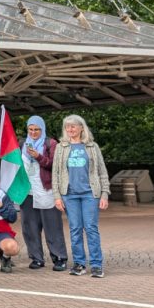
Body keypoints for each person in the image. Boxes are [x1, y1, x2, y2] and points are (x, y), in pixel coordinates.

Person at [52, 114, 110, 278]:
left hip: (90, 194)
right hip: (69, 195)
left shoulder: (92, 147)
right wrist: (57, 196)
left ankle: (97, 265)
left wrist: (104, 194)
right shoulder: (61, 147)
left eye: (73, 126)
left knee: (91, 229)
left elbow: (102, 172)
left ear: (81, 128)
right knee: (75, 229)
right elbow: (56, 173)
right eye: (67, 127)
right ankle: (79, 264)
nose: (70, 129)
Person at [20, 116, 68, 271]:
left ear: (42, 129)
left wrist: (38, 157)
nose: (33, 132)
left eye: (37, 130)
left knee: (52, 226)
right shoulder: (22, 144)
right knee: (30, 227)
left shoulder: (51, 143)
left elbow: (55, 165)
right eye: (31, 129)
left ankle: (59, 257)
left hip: (46, 190)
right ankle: (36, 258)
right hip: (27, 192)